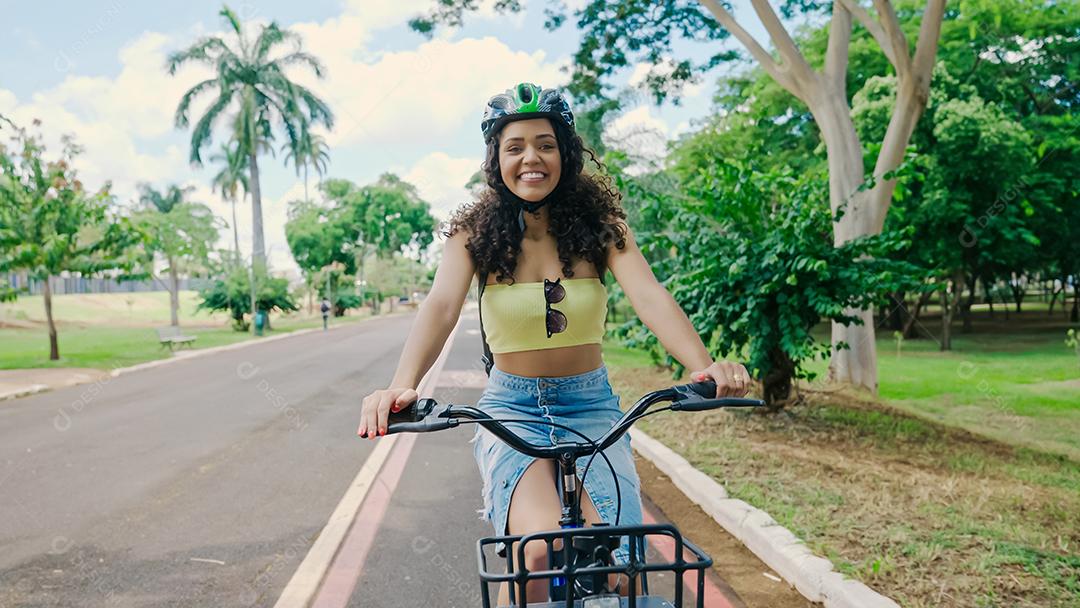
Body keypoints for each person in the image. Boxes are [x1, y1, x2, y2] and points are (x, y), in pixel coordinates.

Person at [358, 82, 750, 603]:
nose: (531, 158)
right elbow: (441, 306)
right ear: (495, 159)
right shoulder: (473, 233)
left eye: (544, 144)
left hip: (591, 404)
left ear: (565, 153)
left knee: (619, 560)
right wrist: (400, 387)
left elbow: (649, 296)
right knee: (536, 554)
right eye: (514, 146)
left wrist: (705, 367)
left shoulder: (602, 226)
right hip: (511, 409)